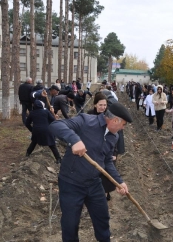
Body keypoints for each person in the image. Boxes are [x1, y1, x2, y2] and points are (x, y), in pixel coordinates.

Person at [49, 102, 132, 242]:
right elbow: (55, 125)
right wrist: (74, 140)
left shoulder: (114, 137)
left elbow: (107, 161)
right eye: (123, 124)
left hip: (94, 183)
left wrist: (119, 181)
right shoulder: (86, 121)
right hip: (71, 183)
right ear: (115, 120)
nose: (123, 128)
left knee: (102, 218)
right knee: (70, 223)